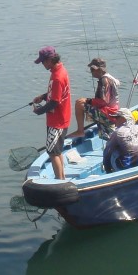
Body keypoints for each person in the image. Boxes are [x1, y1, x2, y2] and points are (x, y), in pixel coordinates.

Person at [31, 46, 72, 180]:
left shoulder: (58, 77)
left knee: (52, 152)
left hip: (57, 121)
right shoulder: (59, 70)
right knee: (57, 150)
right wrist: (43, 97)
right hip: (59, 119)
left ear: (49, 60)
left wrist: (39, 111)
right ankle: (62, 177)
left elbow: (54, 102)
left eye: (43, 62)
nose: (42, 64)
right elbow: (56, 94)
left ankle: (59, 181)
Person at [66, 57, 120, 139]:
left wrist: (88, 100)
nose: (91, 72)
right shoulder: (110, 78)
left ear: (98, 69)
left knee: (79, 103)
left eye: (92, 70)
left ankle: (80, 131)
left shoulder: (104, 81)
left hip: (108, 115)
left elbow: (104, 101)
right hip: (113, 113)